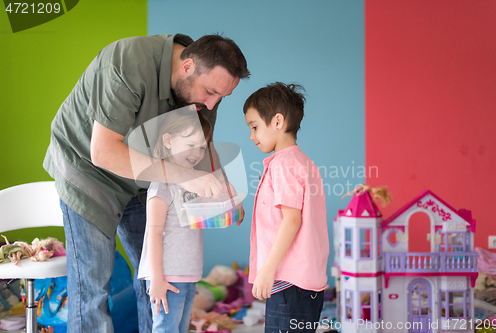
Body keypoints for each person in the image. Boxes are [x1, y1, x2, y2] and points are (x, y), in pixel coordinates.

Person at [43, 33, 249, 332]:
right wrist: (187, 177)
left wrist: (223, 188)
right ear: (187, 66)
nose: (211, 103)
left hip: (146, 178)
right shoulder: (128, 62)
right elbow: (103, 152)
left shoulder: (204, 91)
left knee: (158, 279)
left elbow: (203, 145)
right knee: (94, 286)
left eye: (221, 97)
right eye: (210, 92)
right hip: (88, 168)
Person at [243, 82, 329, 333]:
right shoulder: (303, 162)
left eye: (254, 127)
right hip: (304, 283)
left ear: (277, 121)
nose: (251, 136)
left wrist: (266, 270)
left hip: (288, 282)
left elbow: (292, 220)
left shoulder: (283, 164)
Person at [137, 109, 211, 333]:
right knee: (166, 329)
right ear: (168, 141)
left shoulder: (189, 184)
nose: (197, 153)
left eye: (202, 147)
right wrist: (157, 280)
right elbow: (154, 234)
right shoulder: (162, 185)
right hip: (168, 277)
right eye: (190, 145)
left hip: (188, 274)